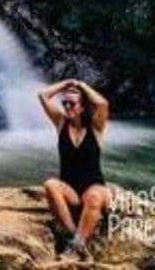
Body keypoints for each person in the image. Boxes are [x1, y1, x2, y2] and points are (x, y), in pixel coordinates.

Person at [38, 78, 111, 261]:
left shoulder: (95, 127)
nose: (67, 107)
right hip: (70, 190)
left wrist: (81, 86)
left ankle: (78, 244)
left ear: (83, 106)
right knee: (50, 185)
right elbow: (43, 95)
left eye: (72, 103)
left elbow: (102, 103)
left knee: (94, 197)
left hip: (93, 187)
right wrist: (66, 84)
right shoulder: (61, 123)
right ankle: (72, 236)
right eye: (64, 103)